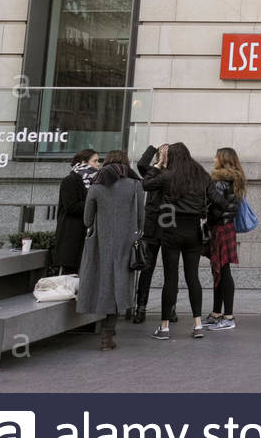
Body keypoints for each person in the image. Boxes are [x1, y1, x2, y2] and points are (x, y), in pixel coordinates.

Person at [141, 142, 210, 339]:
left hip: (171, 229)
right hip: (193, 230)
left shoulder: (166, 175)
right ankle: (197, 324)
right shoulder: (201, 175)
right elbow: (214, 196)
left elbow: (145, 184)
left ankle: (164, 328)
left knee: (170, 279)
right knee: (193, 278)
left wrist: (159, 164)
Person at [76, 151, 142, 351]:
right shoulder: (135, 184)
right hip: (125, 242)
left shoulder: (97, 185)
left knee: (100, 283)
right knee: (118, 285)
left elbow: (87, 219)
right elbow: (141, 217)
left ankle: (105, 332)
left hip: (100, 243)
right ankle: (108, 332)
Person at [131, 143, 177, 324]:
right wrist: (154, 149)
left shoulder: (175, 174)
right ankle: (141, 307)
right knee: (147, 268)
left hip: (168, 225)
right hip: (152, 226)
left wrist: (163, 162)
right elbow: (141, 165)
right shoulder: (152, 172)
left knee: (170, 270)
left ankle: (171, 308)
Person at [205, 147, 245, 331]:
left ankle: (227, 316)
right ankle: (216, 314)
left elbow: (215, 205)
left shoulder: (220, 181)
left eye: (216, 156)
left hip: (219, 227)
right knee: (221, 270)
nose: (213, 159)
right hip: (227, 226)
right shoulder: (235, 178)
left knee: (223, 270)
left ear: (222, 159)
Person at [55, 148, 100, 274]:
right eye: (95, 161)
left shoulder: (94, 182)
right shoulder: (70, 180)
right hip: (72, 234)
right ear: (83, 162)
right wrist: (94, 203)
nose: (98, 164)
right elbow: (71, 206)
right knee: (69, 275)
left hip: (85, 232)